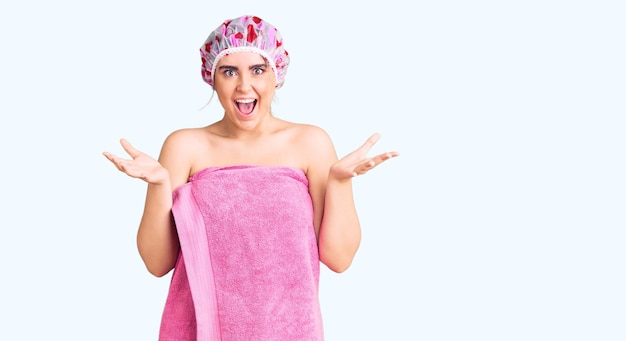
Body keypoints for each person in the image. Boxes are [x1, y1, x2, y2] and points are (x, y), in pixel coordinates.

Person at [103, 14, 398, 341]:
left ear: (277, 75)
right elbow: (157, 264)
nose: (244, 86)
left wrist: (341, 182)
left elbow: (339, 259)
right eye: (229, 71)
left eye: (258, 70)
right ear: (212, 78)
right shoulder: (185, 146)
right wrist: (159, 185)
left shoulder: (310, 144)